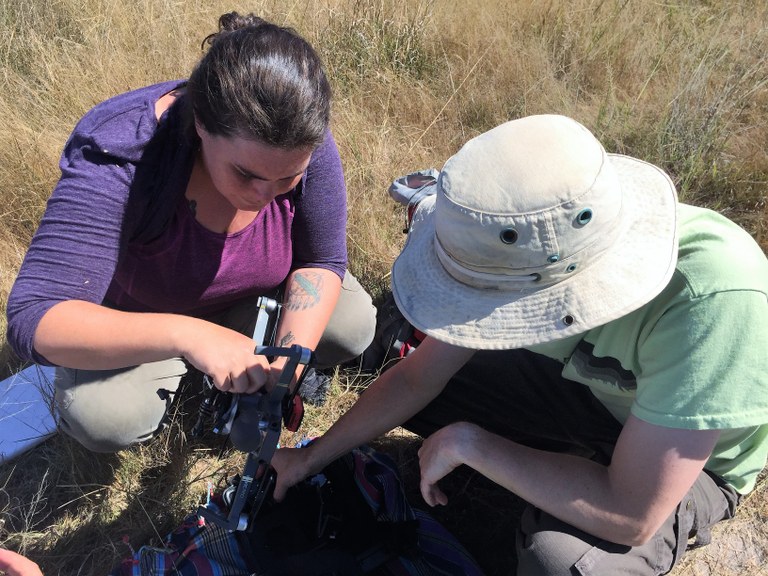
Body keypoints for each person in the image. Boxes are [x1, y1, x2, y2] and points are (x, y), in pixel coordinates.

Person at [272, 114, 768, 575]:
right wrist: (310, 458)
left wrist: (473, 444)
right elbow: (419, 378)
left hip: (693, 460)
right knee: (418, 384)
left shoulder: (713, 298)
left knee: (559, 561)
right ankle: (568, 456)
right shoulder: (529, 246)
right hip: (588, 393)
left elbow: (631, 512)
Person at [5, 13, 376, 453]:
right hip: (143, 317)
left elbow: (321, 260)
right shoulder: (123, 154)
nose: (263, 194)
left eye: (286, 179)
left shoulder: (296, 134)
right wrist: (191, 336)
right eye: (246, 174)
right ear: (201, 122)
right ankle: (182, 362)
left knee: (350, 326)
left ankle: (227, 361)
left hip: (248, 299)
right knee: (107, 417)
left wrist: (286, 367)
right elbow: (35, 317)